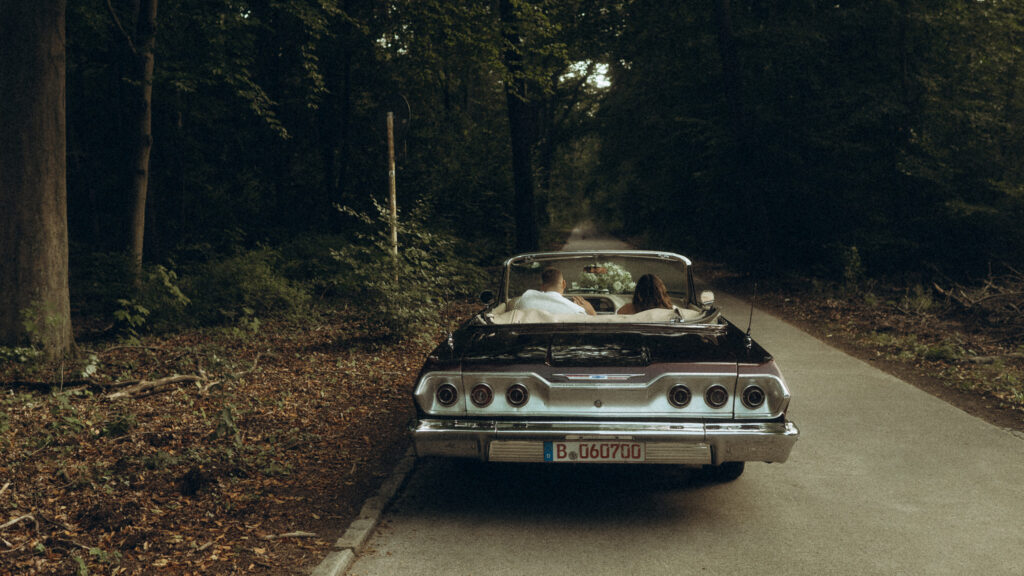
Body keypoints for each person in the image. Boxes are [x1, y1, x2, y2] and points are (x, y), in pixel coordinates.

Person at [516, 267, 597, 315]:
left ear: (542, 287)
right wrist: (592, 313)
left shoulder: (525, 299)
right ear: (564, 284)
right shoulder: (576, 311)